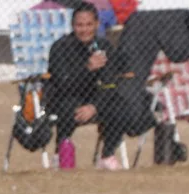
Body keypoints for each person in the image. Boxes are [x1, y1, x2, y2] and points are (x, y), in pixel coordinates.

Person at [46, 2, 136, 170]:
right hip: (66, 97)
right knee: (67, 106)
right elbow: (62, 84)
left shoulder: (104, 47)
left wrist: (94, 106)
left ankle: (107, 155)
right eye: (79, 25)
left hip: (95, 99)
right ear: (73, 25)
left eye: (89, 24)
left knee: (121, 104)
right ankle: (61, 152)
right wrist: (88, 68)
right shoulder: (60, 47)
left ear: (96, 24)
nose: (84, 30)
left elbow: (110, 83)